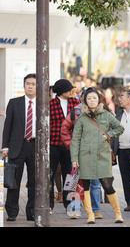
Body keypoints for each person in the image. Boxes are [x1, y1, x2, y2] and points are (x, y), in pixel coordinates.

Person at [71, 87, 125, 224]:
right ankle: (90, 214)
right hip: (85, 156)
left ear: (99, 99)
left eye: (94, 98)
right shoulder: (82, 118)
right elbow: (75, 140)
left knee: (107, 185)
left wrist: (108, 135)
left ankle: (117, 213)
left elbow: (120, 128)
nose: (92, 100)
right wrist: (74, 159)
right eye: (89, 98)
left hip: (102, 155)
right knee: (87, 186)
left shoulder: (106, 115)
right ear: (85, 101)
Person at [2, 74, 37, 221]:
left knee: (34, 182)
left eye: (33, 84)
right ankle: (12, 212)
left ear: (37, 86)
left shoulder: (43, 104)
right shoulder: (14, 103)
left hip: (35, 147)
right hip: (17, 146)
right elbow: (7, 126)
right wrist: (4, 147)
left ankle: (31, 212)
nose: (30, 86)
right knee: (13, 181)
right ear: (24, 86)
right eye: (28, 83)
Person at [50, 78, 80, 212]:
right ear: (62, 91)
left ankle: (72, 206)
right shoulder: (51, 104)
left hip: (70, 144)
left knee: (71, 175)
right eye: (69, 89)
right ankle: (48, 205)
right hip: (53, 143)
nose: (71, 91)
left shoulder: (75, 103)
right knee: (49, 175)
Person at [112, 89, 130, 212]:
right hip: (122, 150)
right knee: (125, 177)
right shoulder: (118, 113)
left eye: (122, 96)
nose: (119, 99)